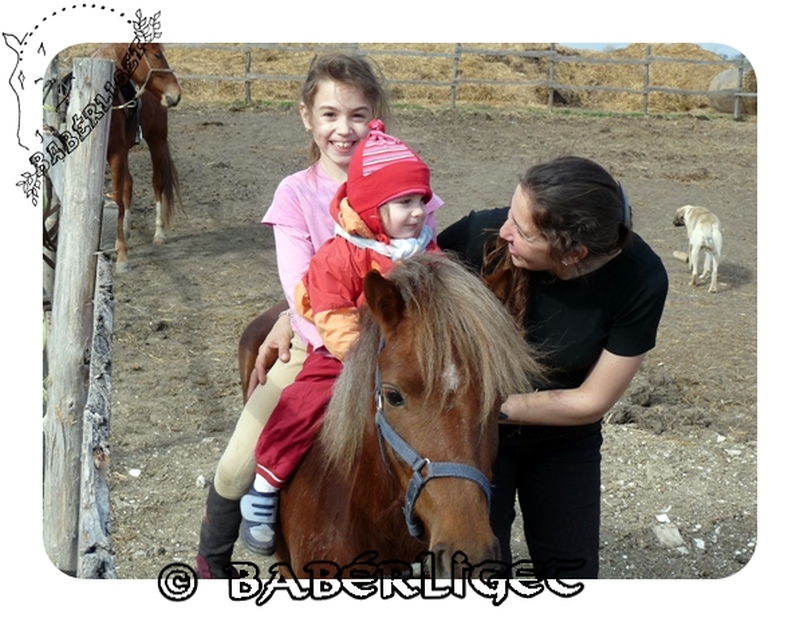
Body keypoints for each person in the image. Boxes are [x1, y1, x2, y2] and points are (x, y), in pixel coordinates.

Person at [195, 53, 443, 579]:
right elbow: (300, 287)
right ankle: (211, 562)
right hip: (320, 345)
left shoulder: (406, 187)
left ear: (375, 116)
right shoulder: (296, 193)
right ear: (307, 116)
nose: (343, 128)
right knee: (237, 463)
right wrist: (344, 347)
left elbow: (430, 271)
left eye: (357, 115)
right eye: (330, 114)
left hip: (401, 352)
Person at [436, 156, 669, 578]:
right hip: (473, 434)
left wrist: (490, 404)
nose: (504, 231)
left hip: (563, 439)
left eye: (522, 232)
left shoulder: (640, 278)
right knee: (473, 571)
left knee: (571, 575)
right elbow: (391, 286)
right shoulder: (477, 236)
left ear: (572, 253)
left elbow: (590, 401)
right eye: (511, 214)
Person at [239, 120, 440, 555]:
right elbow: (331, 315)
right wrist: (363, 359)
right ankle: (265, 486)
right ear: (371, 207)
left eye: (420, 201)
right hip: (343, 355)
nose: (417, 212)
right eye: (404, 202)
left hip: (408, 353)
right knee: (301, 405)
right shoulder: (340, 254)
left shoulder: (423, 248)